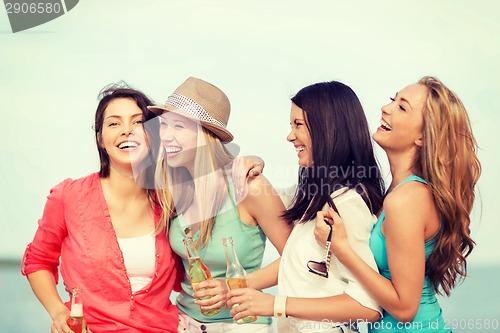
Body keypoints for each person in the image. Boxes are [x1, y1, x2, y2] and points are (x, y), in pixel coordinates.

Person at [314, 76, 481, 332]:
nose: (386, 107)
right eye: (393, 99)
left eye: (402, 107)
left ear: (423, 137)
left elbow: (405, 308)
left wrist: (341, 248)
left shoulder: (406, 199)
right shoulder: (400, 191)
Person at [21, 84, 182, 333]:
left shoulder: (172, 199)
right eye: (114, 123)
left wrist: (248, 165)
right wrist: (59, 311)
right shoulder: (69, 196)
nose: (127, 130)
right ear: (100, 139)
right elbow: (38, 261)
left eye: (138, 122)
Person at [227, 80, 386, 333]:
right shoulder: (314, 197)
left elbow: (368, 306)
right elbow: (261, 197)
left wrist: (276, 305)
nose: (290, 136)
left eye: (298, 125)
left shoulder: (348, 203)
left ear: (327, 128)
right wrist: (255, 162)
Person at [149, 77, 292, 333]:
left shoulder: (249, 186)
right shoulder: (172, 186)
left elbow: (298, 257)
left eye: (179, 126)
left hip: (242, 326)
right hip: (185, 324)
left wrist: (234, 285)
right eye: (164, 125)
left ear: (207, 135)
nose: (167, 136)